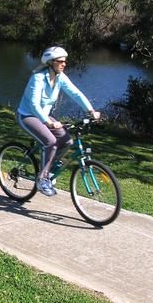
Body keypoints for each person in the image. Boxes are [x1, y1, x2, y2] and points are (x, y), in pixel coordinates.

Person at [16, 46, 100, 196]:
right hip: (28, 116)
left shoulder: (60, 77)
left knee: (67, 141)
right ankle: (42, 179)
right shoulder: (38, 78)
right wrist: (47, 122)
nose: (64, 64)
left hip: (45, 116)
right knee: (50, 142)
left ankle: (50, 166)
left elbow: (76, 93)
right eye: (60, 61)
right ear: (51, 63)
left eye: (65, 61)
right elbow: (34, 105)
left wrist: (91, 110)